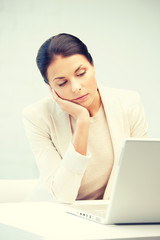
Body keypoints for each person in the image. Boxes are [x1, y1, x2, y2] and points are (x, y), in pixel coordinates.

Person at [23, 33, 148, 203]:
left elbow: (141, 174)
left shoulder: (129, 103)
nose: (76, 87)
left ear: (93, 66)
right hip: (55, 213)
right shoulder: (37, 117)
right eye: (62, 83)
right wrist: (83, 120)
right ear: (50, 87)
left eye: (81, 73)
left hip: (108, 213)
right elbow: (63, 195)